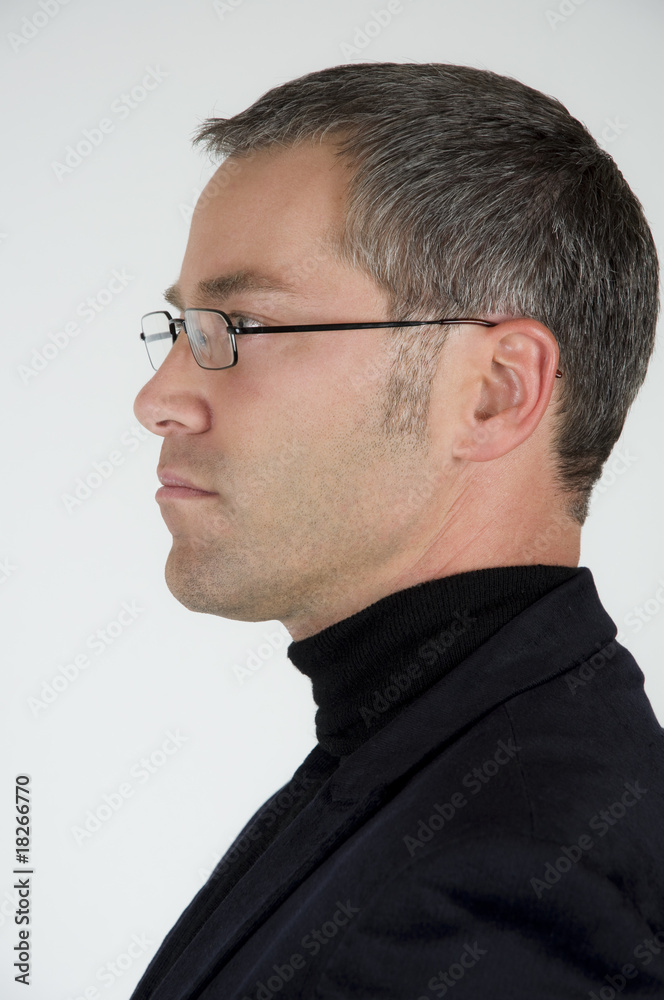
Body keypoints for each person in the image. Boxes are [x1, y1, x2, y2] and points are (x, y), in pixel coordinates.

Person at [130, 62, 664, 999]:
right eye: (184, 327)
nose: (159, 398)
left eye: (243, 325)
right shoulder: (421, 763)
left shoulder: (512, 888)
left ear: (495, 393)